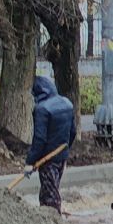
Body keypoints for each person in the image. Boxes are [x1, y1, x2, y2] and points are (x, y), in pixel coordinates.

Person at [26, 76, 76, 212]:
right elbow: (73, 132)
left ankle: (53, 222)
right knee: (50, 189)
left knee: (50, 195)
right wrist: (65, 151)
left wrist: (30, 162)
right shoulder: (67, 103)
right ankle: (47, 218)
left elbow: (39, 139)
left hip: (47, 160)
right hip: (61, 155)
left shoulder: (42, 109)